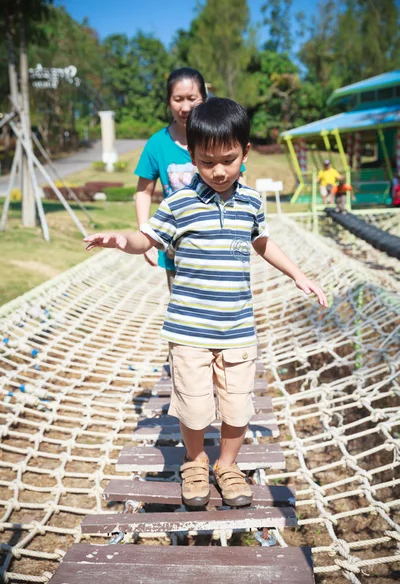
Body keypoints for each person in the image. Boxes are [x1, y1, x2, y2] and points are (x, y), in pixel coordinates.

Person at [85, 98, 328, 508]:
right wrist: (123, 241)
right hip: (189, 329)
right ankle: (195, 460)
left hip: (237, 327)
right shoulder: (178, 204)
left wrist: (298, 274)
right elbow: (150, 238)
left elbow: (262, 242)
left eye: (228, 160)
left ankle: (227, 465)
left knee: (237, 405)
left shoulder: (251, 202)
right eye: (206, 161)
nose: (218, 171)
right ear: (192, 158)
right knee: (194, 406)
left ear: (245, 153)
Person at [134, 67, 245, 292]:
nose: (185, 108)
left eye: (192, 99)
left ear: (204, 99)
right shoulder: (157, 144)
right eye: (178, 99)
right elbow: (143, 192)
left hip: (219, 243)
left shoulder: (220, 137)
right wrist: (144, 233)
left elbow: (238, 181)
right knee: (185, 314)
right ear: (168, 102)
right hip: (178, 247)